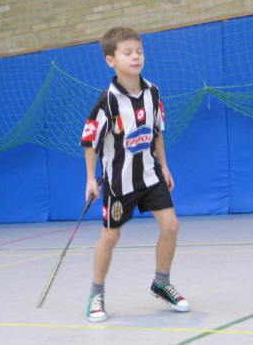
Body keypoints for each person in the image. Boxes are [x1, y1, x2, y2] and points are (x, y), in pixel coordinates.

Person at [80, 26, 190, 323]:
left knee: (171, 226)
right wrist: (90, 179)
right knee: (110, 236)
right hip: (119, 184)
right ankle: (96, 294)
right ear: (110, 60)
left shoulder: (153, 92)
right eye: (127, 53)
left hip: (150, 176)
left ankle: (161, 283)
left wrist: (164, 166)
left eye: (139, 51)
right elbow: (90, 142)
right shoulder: (107, 101)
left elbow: (157, 131)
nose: (135, 57)